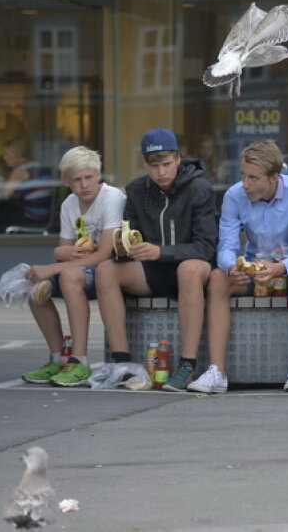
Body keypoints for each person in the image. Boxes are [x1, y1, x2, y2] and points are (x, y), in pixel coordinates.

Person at [188, 140, 288, 394]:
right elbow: (225, 245)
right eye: (243, 176)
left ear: (273, 178)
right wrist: (230, 266)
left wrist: (282, 267)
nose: (245, 184)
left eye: (253, 178)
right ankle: (217, 371)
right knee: (217, 277)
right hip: (252, 269)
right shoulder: (234, 195)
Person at [95, 128, 216, 392]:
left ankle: (187, 364)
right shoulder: (137, 190)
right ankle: (122, 362)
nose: (161, 172)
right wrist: (126, 248)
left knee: (190, 269)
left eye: (167, 164)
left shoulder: (200, 189)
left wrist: (160, 252)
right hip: (152, 270)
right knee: (105, 270)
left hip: (191, 270)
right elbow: (129, 234)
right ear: (145, 164)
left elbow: (206, 247)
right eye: (154, 166)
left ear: (178, 158)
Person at [19, 146, 126, 387]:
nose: (84, 185)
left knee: (68, 277)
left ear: (98, 175)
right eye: (77, 180)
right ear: (65, 181)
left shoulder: (112, 198)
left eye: (89, 177)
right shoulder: (69, 204)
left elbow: (104, 254)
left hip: (110, 271)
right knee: (35, 285)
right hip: (81, 268)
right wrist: (60, 253)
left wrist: (55, 264)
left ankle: (79, 360)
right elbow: (63, 251)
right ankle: (58, 358)